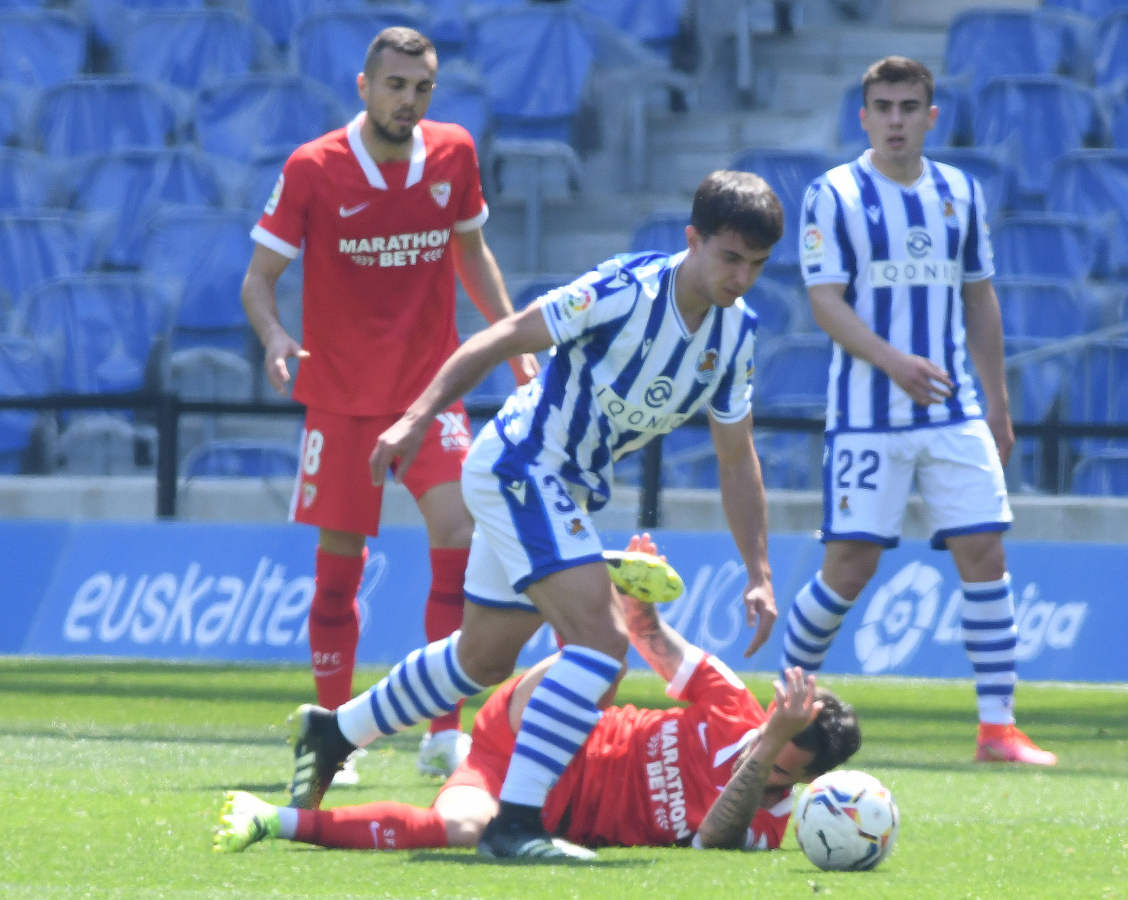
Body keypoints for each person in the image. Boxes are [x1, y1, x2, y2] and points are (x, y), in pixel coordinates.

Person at [279, 169, 787, 859]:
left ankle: (335, 732)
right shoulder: (624, 289)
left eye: (756, 265)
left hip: (564, 488)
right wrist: (416, 419)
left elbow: (736, 458)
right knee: (600, 648)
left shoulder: (735, 336)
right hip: (522, 464)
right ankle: (516, 823)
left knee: (483, 658)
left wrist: (756, 569)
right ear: (692, 239)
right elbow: (505, 336)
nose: (741, 278)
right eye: (731, 258)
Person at [240, 26, 537, 781]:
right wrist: (275, 335)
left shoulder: (454, 154)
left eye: (422, 88)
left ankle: (444, 730)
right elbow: (258, 279)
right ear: (364, 87)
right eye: (396, 85)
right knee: (338, 570)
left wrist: (515, 346)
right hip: (339, 398)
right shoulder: (313, 167)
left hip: (430, 388)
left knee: (458, 533)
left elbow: (471, 252)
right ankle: (333, 736)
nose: (409, 100)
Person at [213, 537, 861, 855]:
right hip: (542, 724)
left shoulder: (767, 827)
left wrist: (774, 740)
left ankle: (271, 818)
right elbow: (649, 636)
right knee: (602, 655)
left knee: (458, 828)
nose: (763, 743)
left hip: (524, 793)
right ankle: (574, 573)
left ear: (802, 782)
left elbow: (710, 842)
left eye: (777, 758)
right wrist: (634, 598)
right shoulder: (729, 704)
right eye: (770, 727)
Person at [783, 55, 1055, 766]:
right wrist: (892, 362)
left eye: (909, 107)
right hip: (866, 413)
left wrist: (996, 404)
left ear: (931, 117)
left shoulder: (959, 193)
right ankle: (780, 707)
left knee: (984, 553)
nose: (896, 120)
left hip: (951, 409)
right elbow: (823, 300)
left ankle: (997, 728)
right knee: (849, 566)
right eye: (883, 107)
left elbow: (979, 296)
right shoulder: (833, 194)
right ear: (863, 115)